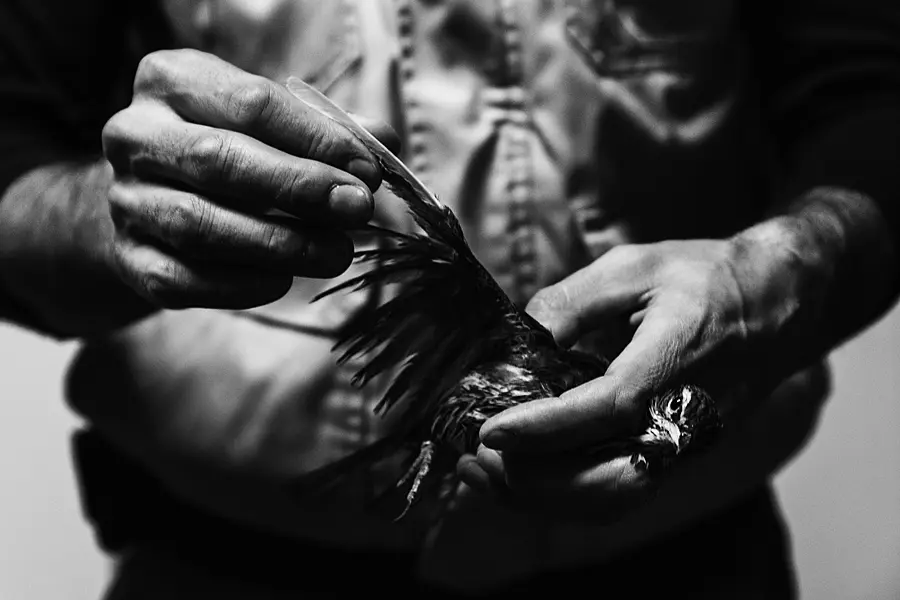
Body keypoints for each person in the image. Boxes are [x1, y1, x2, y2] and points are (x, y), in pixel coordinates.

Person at [0, 0, 897, 597]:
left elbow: (869, 95)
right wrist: (103, 222)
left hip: (688, 557)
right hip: (215, 562)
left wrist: (800, 263)